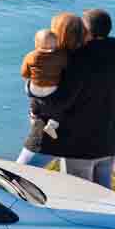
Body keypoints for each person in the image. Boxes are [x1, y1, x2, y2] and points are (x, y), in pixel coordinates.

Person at [21, 8, 115, 188]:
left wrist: (32, 92)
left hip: (80, 144)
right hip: (108, 139)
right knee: (105, 198)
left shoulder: (80, 60)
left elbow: (62, 100)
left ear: (87, 31)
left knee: (78, 196)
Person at [16, 12, 85, 169]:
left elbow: (58, 100)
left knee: (18, 174)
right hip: (82, 135)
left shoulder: (63, 59)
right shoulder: (84, 59)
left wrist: (35, 112)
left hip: (48, 135)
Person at [19, 27, 69, 141]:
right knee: (59, 108)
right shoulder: (60, 56)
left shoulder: (30, 56)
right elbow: (65, 70)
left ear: (36, 43)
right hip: (52, 90)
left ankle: (34, 115)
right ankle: (52, 125)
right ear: (56, 44)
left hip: (33, 89)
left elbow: (24, 73)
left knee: (33, 98)